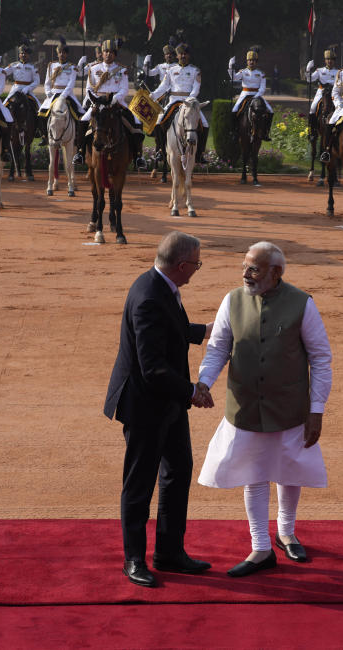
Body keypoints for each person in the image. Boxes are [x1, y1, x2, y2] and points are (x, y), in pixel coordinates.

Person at [197, 241, 332, 578]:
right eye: (244, 266)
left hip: (289, 406)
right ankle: (260, 547)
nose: (246, 274)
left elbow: (320, 357)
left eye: (254, 268)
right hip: (245, 406)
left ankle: (286, 532)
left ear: (276, 273)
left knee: (290, 469)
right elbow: (218, 349)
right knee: (253, 473)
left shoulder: (302, 304)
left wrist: (316, 409)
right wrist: (203, 383)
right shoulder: (231, 301)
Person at [104, 231, 214, 588]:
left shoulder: (159, 284)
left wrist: (207, 331)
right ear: (182, 265)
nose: (198, 269)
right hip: (145, 405)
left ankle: (168, 551)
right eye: (197, 264)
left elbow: (174, 329)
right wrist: (192, 391)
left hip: (167, 402)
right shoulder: (150, 297)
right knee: (139, 483)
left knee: (177, 470)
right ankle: (133, 558)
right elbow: (151, 366)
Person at [73, 37, 146, 168]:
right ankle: (80, 152)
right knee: (83, 120)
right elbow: (89, 89)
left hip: (116, 103)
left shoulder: (122, 70)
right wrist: (97, 101)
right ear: (102, 53)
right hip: (98, 103)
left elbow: (124, 89)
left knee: (136, 122)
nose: (108, 54)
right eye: (106, 51)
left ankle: (138, 156)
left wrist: (113, 99)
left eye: (111, 52)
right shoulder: (94, 69)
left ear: (115, 54)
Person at [150, 42, 209, 163]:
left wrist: (190, 99)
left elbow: (196, 88)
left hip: (190, 101)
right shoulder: (171, 70)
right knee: (158, 121)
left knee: (205, 124)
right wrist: (154, 95)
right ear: (177, 56)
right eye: (180, 54)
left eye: (185, 54)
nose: (183, 56)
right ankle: (161, 151)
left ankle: (200, 154)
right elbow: (164, 86)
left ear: (189, 55)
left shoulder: (195, 70)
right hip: (174, 101)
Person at [38, 37, 82, 146]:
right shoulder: (51, 65)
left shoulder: (72, 67)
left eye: (64, 52)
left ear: (67, 54)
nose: (62, 54)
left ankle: (76, 136)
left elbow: (71, 84)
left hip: (67, 94)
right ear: (57, 53)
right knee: (41, 113)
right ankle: (44, 136)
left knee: (79, 113)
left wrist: (63, 95)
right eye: (60, 52)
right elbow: (47, 82)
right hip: (53, 93)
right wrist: (48, 92)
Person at [228, 46, 273, 141]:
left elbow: (262, 88)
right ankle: (234, 132)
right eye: (249, 60)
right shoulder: (243, 72)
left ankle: (266, 132)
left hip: (257, 95)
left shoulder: (261, 73)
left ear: (256, 61)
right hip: (245, 93)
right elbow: (234, 78)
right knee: (234, 110)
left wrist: (256, 96)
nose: (251, 62)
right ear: (247, 61)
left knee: (270, 110)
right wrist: (231, 67)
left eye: (253, 60)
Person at [4, 39, 41, 132]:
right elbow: (3, 72)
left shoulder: (33, 67)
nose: (23, 55)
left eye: (25, 53)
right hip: (15, 89)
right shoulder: (14, 65)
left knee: (40, 108)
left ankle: (40, 131)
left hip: (27, 89)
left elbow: (37, 81)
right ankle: (3, 128)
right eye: (21, 53)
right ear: (19, 54)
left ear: (29, 55)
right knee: (3, 105)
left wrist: (28, 88)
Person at [305, 47, 340, 136]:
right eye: (328, 59)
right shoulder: (320, 71)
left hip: (333, 92)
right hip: (322, 92)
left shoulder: (338, 72)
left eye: (332, 59)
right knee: (313, 107)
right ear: (325, 60)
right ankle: (312, 130)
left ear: (334, 61)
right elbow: (309, 79)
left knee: (340, 107)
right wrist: (308, 69)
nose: (330, 61)